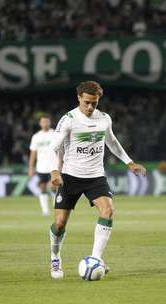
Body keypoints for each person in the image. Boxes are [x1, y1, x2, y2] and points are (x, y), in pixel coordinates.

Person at [48, 81, 146, 279]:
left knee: (108, 210)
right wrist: (54, 172)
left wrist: (130, 163)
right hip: (70, 177)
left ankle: (96, 259)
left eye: (94, 103)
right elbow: (53, 147)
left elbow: (112, 142)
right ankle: (55, 256)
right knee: (59, 223)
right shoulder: (68, 119)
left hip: (95, 176)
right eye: (87, 103)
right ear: (79, 98)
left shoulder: (104, 119)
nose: (91, 107)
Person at [28, 114, 54, 216]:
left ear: (50, 122)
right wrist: (30, 168)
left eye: (47, 121)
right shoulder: (36, 136)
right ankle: (45, 210)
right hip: (41, 167)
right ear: (40, 123)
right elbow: (33, 153)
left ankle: (57, 208)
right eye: (43, 122)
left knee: (53, 187)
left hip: (53, 165)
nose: (45, 123)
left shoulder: (55, 134)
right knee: (42, 187)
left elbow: (61, 149)